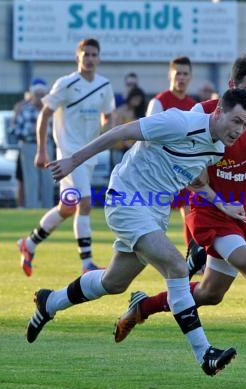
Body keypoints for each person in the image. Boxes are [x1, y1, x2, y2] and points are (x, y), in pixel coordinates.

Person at [113, 53, 246, 367]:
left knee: (210, 293)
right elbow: (179, 157)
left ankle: (142, 307)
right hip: (209, 210)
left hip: (242, 213)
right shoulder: (205, 114)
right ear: (231, 87)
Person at [26, 88, 246, 376]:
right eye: (236, 121)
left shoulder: (217, 148)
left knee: (113, 283)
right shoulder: (179, 122)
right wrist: (74, 160)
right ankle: (204, 353)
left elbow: (196, 182)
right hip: (127, 198)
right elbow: (121, 132)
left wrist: (223, 206)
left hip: (154, 214)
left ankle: (50, 302)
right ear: (219, 111)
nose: (240, 130)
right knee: (176, 266)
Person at [17, 38, 115, 277]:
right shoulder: (66, 83)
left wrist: (107, 130)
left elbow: (109, 115)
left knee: (67, 207)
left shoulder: (104, 85)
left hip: (88, 155)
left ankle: (28, 244)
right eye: (86, 54)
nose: (90, 59)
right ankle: (87, 263)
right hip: (69, 155)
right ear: (77, 57)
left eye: (94, 55)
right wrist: (42, 149)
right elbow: (44, 114)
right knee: (85, 203)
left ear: (99, 58)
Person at [146, 56, 197, 248]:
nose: (181, 78)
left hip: (183, 168)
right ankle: (150, 250)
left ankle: (192, 258)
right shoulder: (158, 102)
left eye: (185, 74)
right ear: (170, 75)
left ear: (191, 77)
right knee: (155, 213)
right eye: (178, 74)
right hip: (161, 169)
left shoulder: (194, 106)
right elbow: (149, 136)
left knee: (190, 211)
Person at [12, 78, 55, 209]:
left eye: (42, 95)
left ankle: (48, 207)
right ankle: (32, 207)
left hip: (47, 145)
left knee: (48, 179)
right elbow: (14, 130)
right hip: (29, 145)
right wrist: (29, 131)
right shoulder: (24, 110)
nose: (40, 98)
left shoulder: (52, 111)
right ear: (32, 95)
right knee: (31, 180)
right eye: (37, 95)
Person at [110, 86, 147, 168]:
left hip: (135, 149)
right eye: (135, 98)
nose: (137, 101)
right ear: (130, 97)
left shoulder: (140, 112)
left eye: (139, 99)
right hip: (119, 148)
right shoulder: (120, 111)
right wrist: (128, 145)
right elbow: (117, 131)